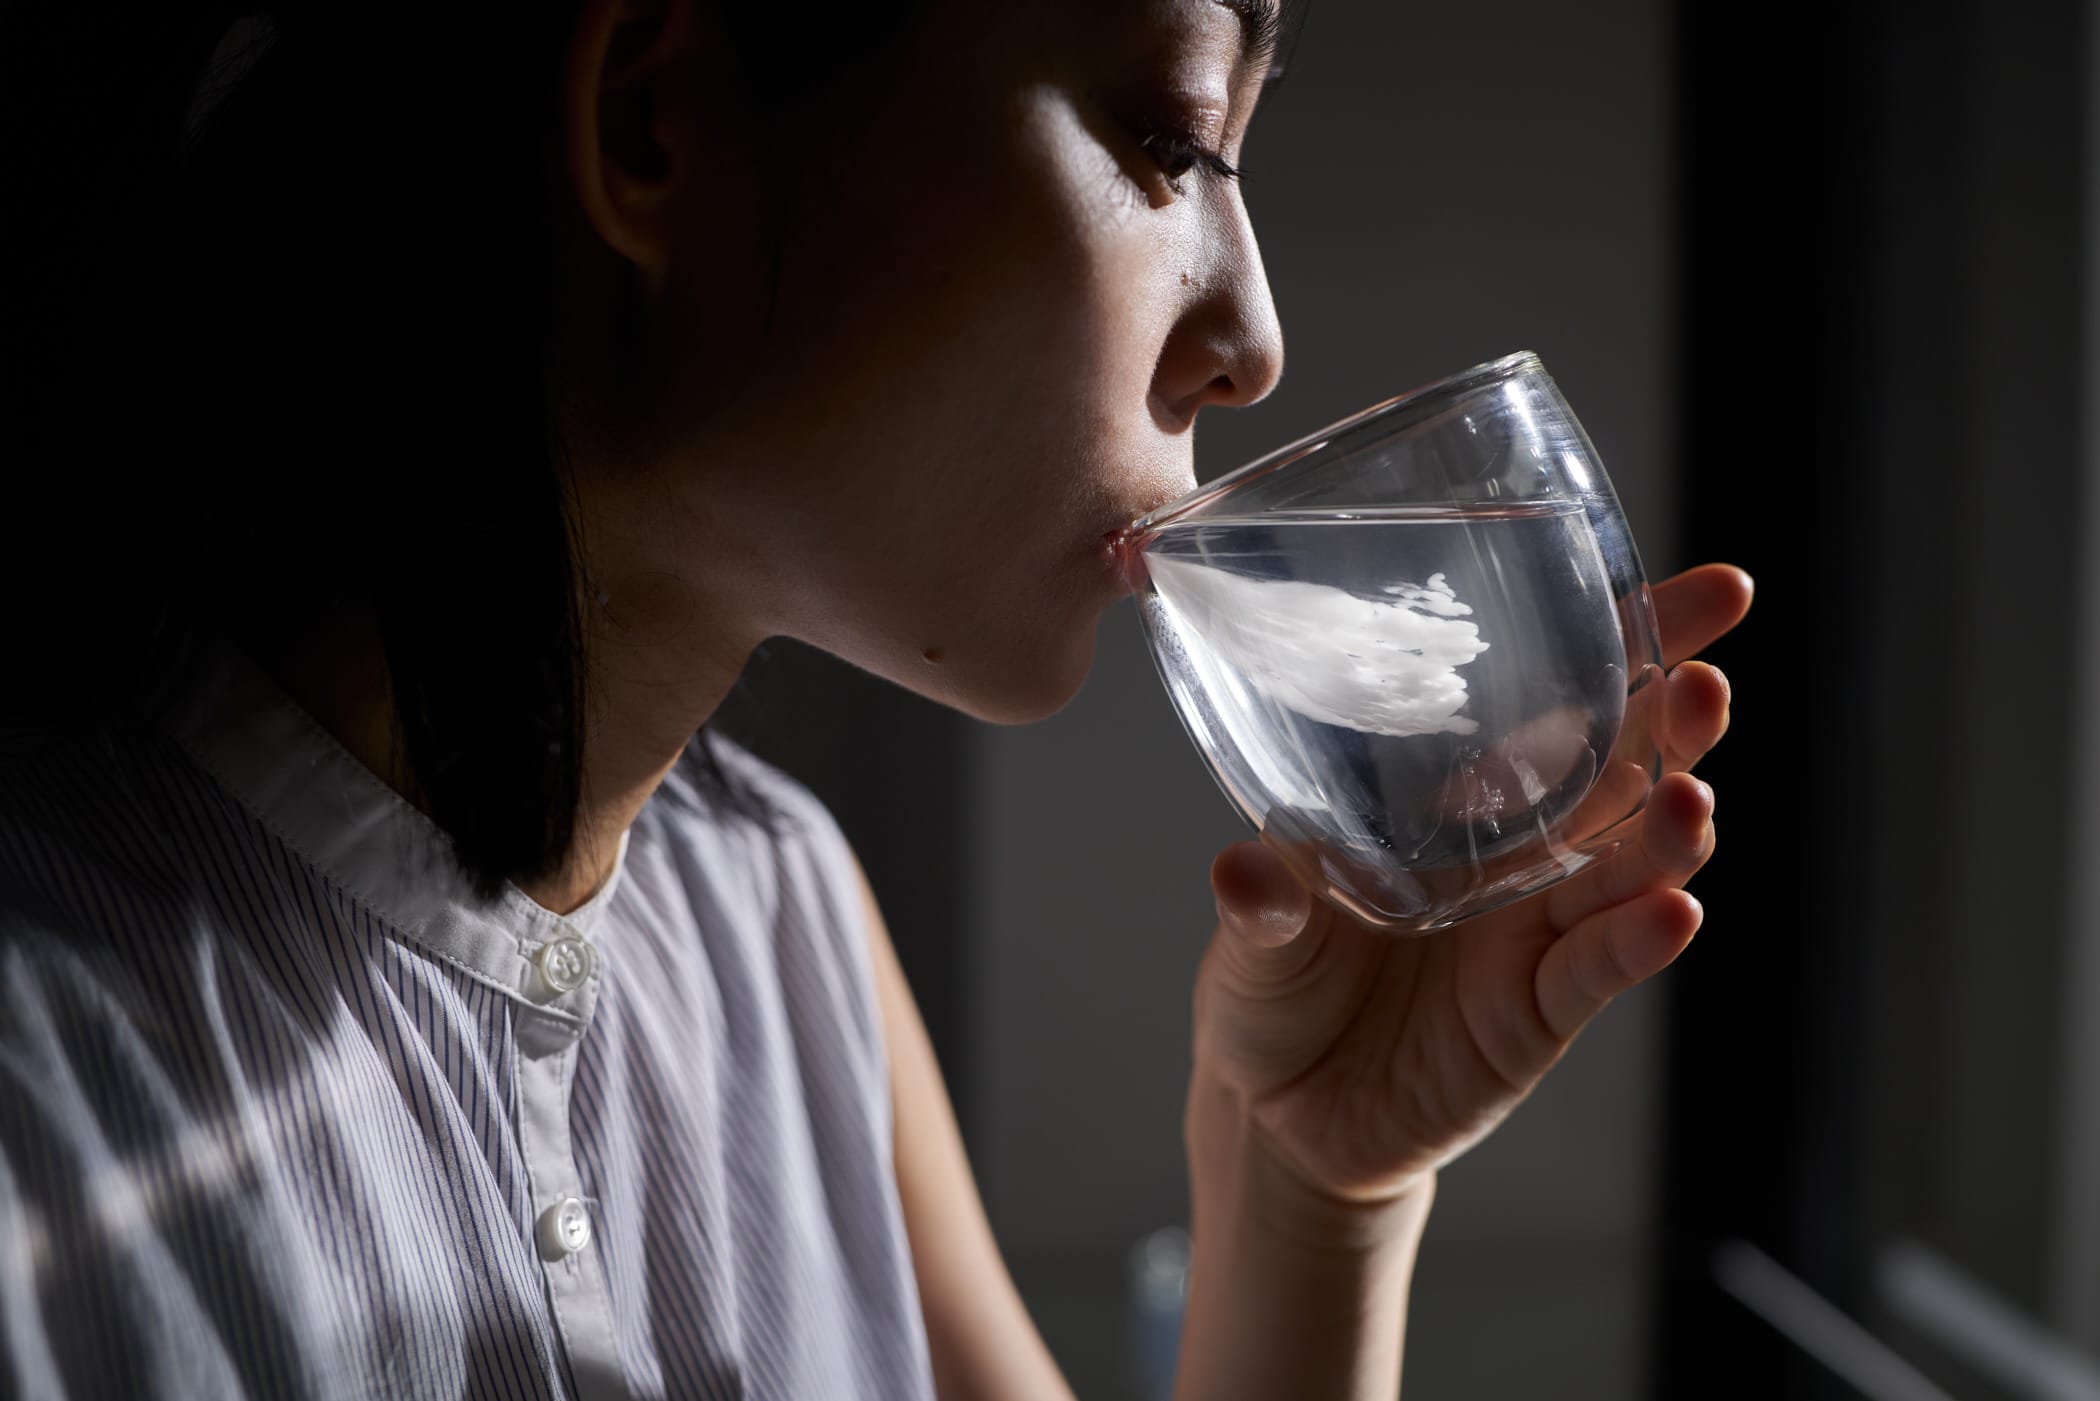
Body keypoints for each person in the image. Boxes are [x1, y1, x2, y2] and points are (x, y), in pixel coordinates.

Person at [0, 0, 1752, 1396]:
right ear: (654, 127)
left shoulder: (786, 924)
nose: (1255, 334)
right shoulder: (45, 1071)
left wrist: (1315, 1192)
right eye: (1171, 138)